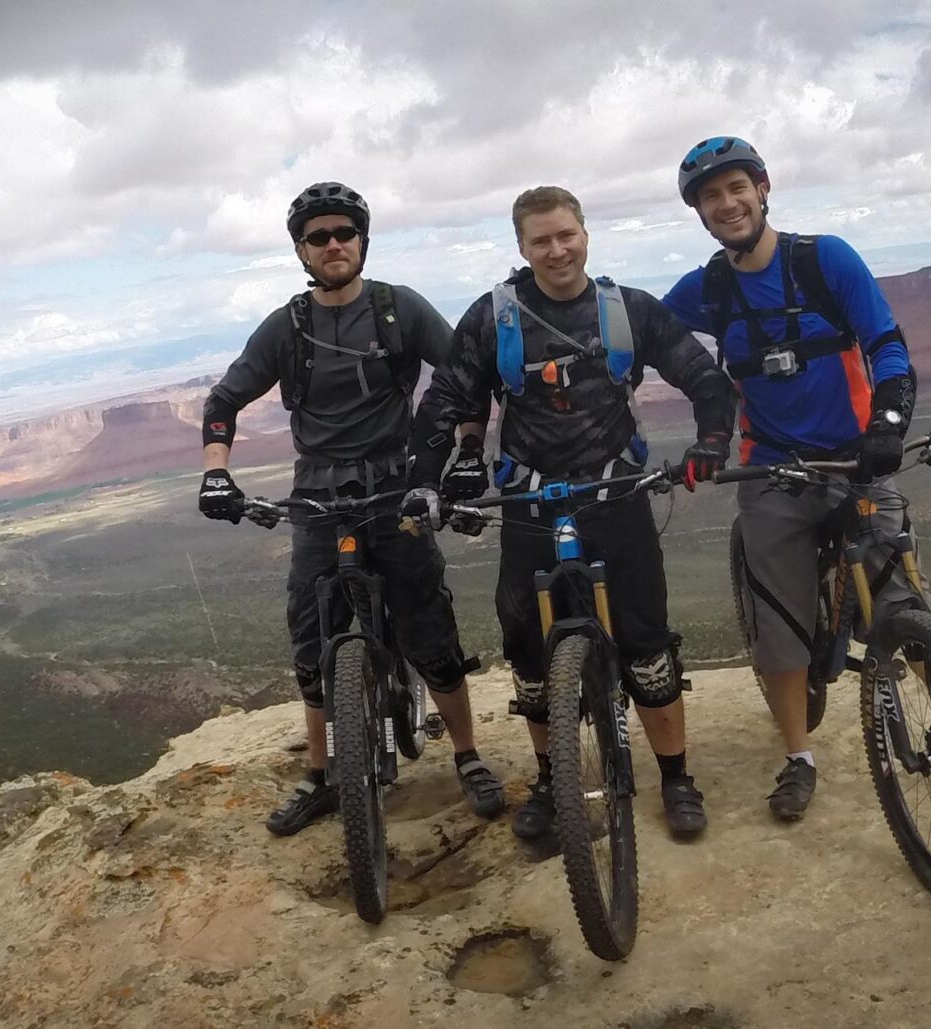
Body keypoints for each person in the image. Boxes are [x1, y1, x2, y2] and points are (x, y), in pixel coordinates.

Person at [420, 185, 736, 841]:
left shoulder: (630, 311)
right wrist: (425, 481)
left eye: (566, 234)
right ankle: (550, 780)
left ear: (585, 233)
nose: (557, 249)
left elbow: (705, 379)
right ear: (522, 247)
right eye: (542, 239)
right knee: (532, 659)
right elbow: (445, 400)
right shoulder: (494, 318)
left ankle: (676, 777)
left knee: (647, 644)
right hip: (530, 505)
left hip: (617, 500)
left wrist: (709, 444)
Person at [660, 136, 931, 822]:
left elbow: (885, 342)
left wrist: (888, 423)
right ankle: (799, 756)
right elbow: (643, 334)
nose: (726, 203)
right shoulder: (707, 287)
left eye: (737, 187)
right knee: (780, 623)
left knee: (902, 603)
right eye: (710, 195)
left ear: (764, 189)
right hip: (771, 466)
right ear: (700, 212)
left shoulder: (825, 260)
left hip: (857, 456)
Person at [197, 182, 507, 836]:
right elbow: (224, 400)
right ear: (302, 251)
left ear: (362, 239)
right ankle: (320, 774)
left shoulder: (399, 309)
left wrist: (469, 450)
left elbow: (465, 378)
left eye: (344, 233)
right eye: (319, 237)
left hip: (394, 487)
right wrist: (216, 474)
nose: (334, 245)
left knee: (429, 628)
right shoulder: (287, 328)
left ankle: (468, 754)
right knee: (313, 644)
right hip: (318, 496)